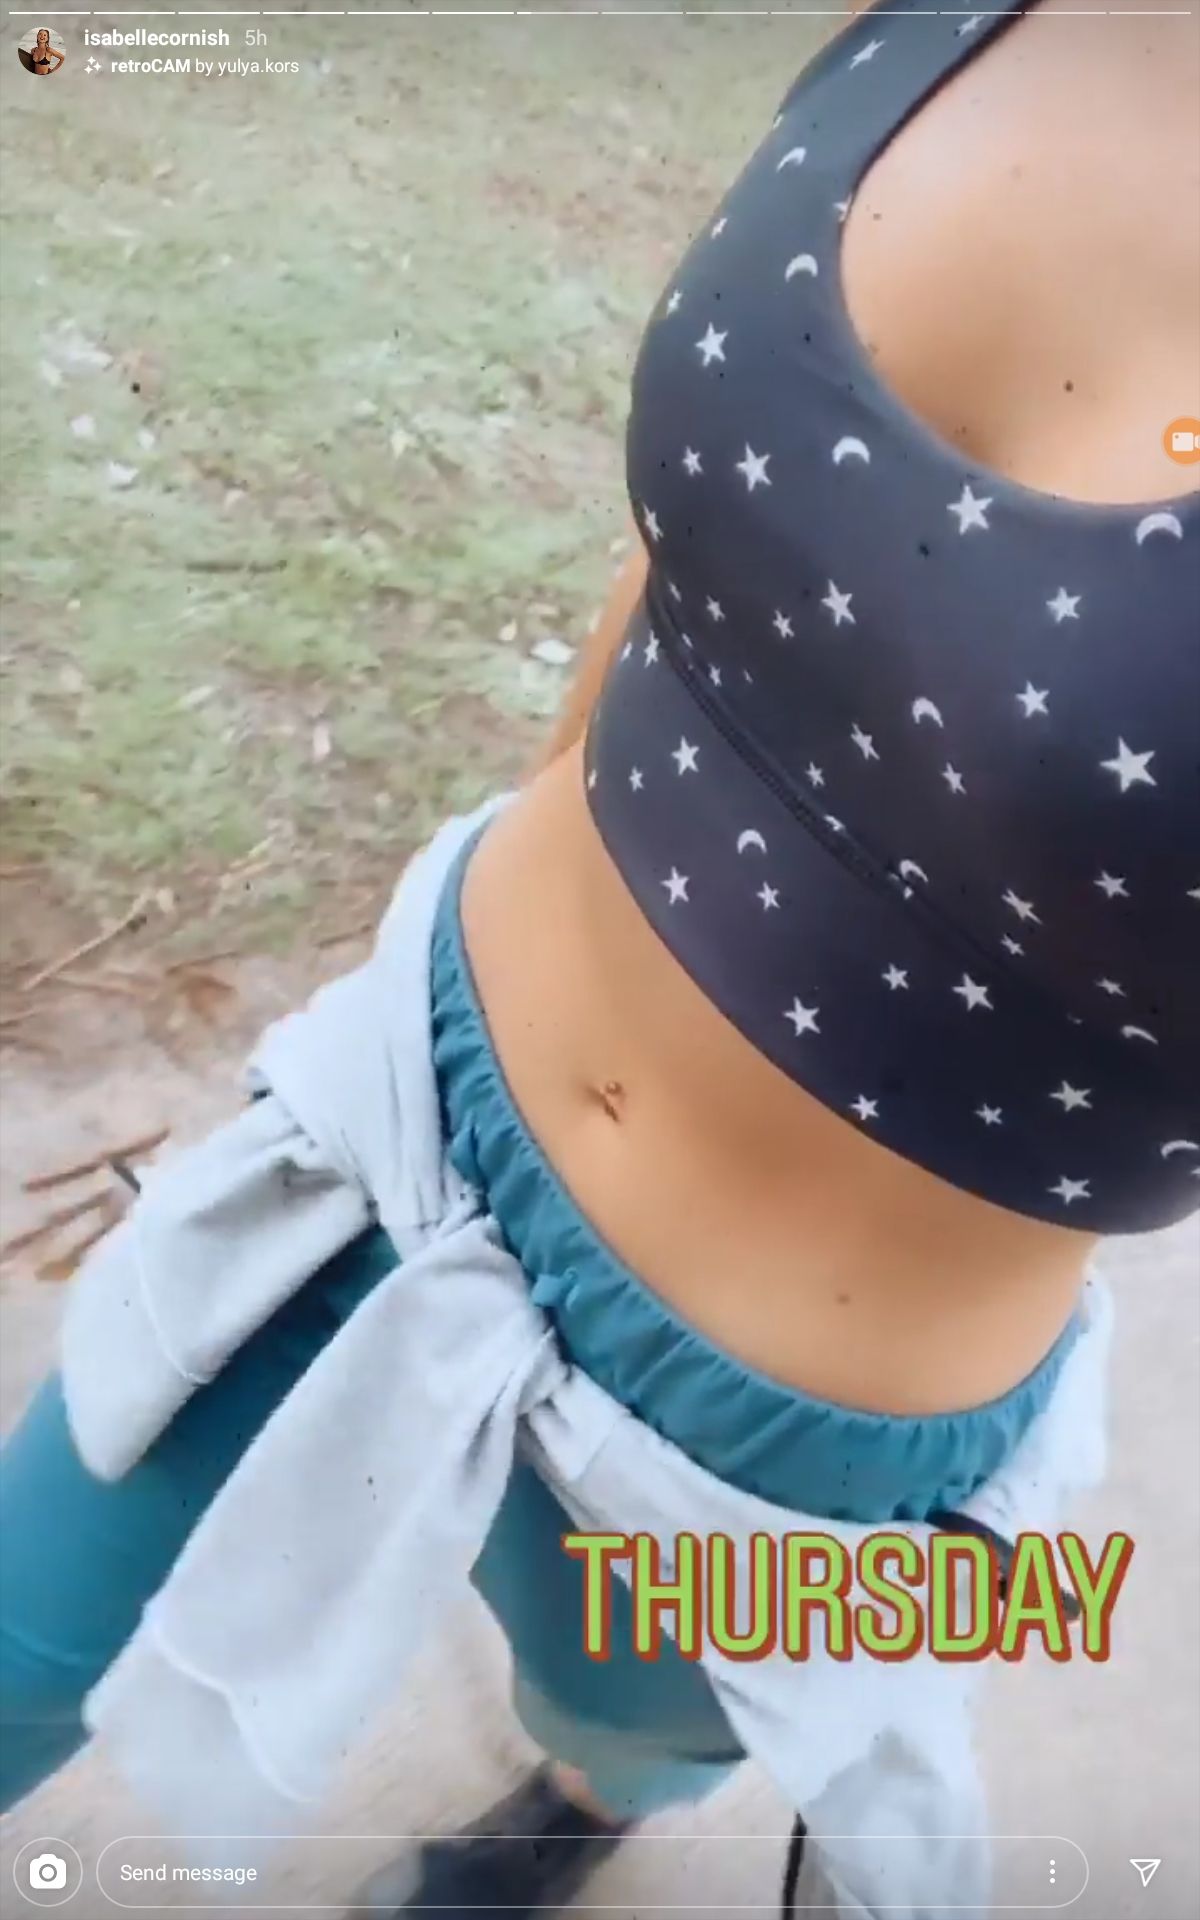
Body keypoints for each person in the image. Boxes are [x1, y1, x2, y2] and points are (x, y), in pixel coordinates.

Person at [1, 2, 1196, 1915]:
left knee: (626, 1729)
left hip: (781, 1462)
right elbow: (707, 551)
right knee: (16, 1638)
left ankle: (576, 1814)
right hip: (401, 1121)